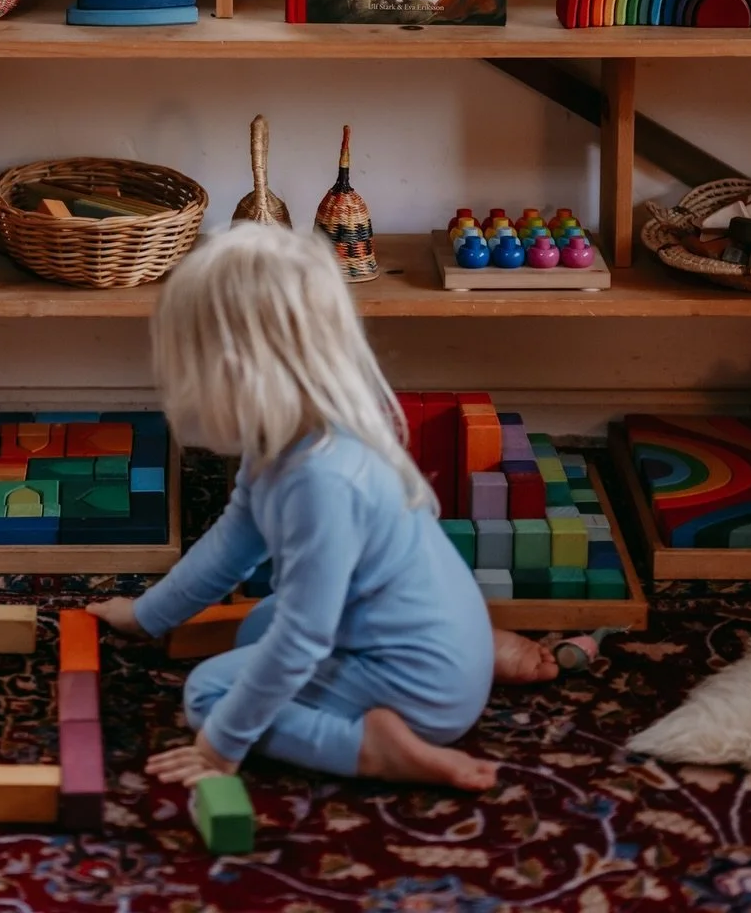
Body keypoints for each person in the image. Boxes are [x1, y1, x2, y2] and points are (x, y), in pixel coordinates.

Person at [90, 226, 557, 791]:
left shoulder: (320, 481)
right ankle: (473, 656)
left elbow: (302, 640)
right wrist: (147, 616)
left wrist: (220, 747)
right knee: (254, 630)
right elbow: (230, 546)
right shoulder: (294, 438)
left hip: (421, 691)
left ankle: (373, 750)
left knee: (210, 693)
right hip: (432, 647)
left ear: (235, 372)